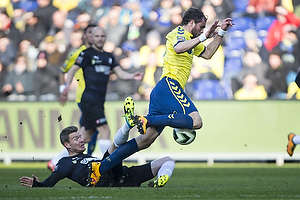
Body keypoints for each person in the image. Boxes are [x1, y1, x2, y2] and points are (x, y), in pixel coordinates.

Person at [128, 7, 233, 149]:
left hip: (166, 89)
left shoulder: (191, 40)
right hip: (169, 85)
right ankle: (146, 120)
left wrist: (221, 32)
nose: (202, 30)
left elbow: (207, 53)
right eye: (201, 27)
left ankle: (107, 161)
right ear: (191, 23)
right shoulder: (178, 33)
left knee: (144, 141)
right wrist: (204, 37)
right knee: (196, 121)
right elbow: (178, 48)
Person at [20, 100, 175, 187]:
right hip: (104, 177)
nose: (81, 140)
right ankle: (128, 125)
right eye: (76, 139)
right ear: (66, 145)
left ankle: (158, 182)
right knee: (111, 151)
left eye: (80, 137)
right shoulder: (65, 163)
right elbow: (51, 182)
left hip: (120, 176)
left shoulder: (86, 156)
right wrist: (37, 185)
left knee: (168, 160)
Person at [59, 26, 143, 164]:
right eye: (97, 36)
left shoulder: (109, 57)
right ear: (92, 37)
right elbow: (73, 68)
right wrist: (66, 86)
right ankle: (108, 165)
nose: (100, 39)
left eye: (102, 36)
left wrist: (133, 75)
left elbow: (120, 73)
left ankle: (58, 162)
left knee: (85, 137)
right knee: (105, 130)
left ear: (105, 38)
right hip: (89, 99)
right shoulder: (87, 54)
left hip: (99, 100)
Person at [47, 24, 98, 171]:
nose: (93, 36)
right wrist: (64, 89)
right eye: (90, 33)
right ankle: (88, 162)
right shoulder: (79, 53)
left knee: (89, 132)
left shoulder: (100, 53)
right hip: (85, 97)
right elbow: (63, 69)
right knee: (92, 130)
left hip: (96, 98)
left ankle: (58, 161)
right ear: (86, 36)